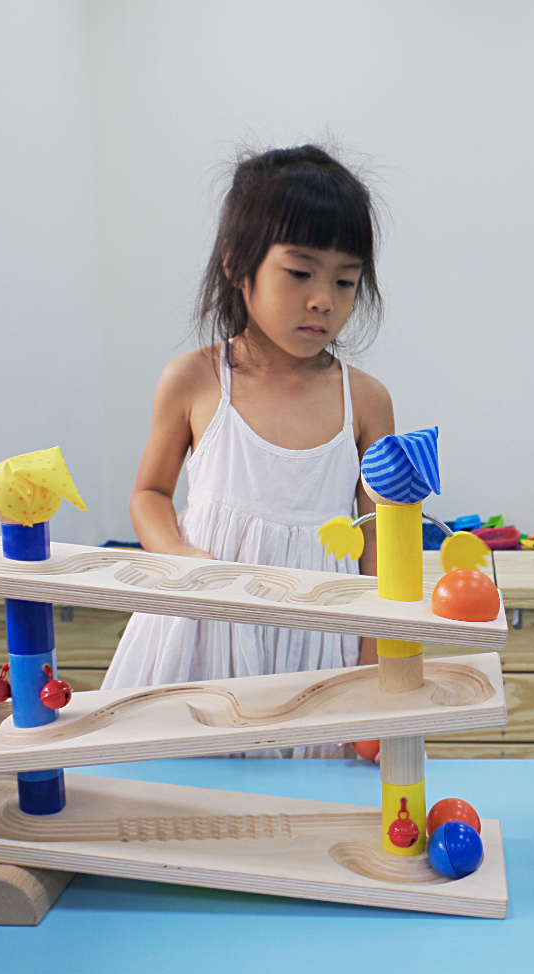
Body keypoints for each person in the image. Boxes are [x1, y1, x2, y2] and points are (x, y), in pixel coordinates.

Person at [103, 146, 395, 741]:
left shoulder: (365, 401)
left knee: (308, 801)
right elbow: (150, 494)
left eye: (346, 280)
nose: (324, 300)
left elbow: (382, 540)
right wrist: (179, 558)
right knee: (178, 791)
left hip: (320, 632)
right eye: (299, 272)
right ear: (239, 264)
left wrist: (377, 651)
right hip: (203, 623)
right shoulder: (195, 378)